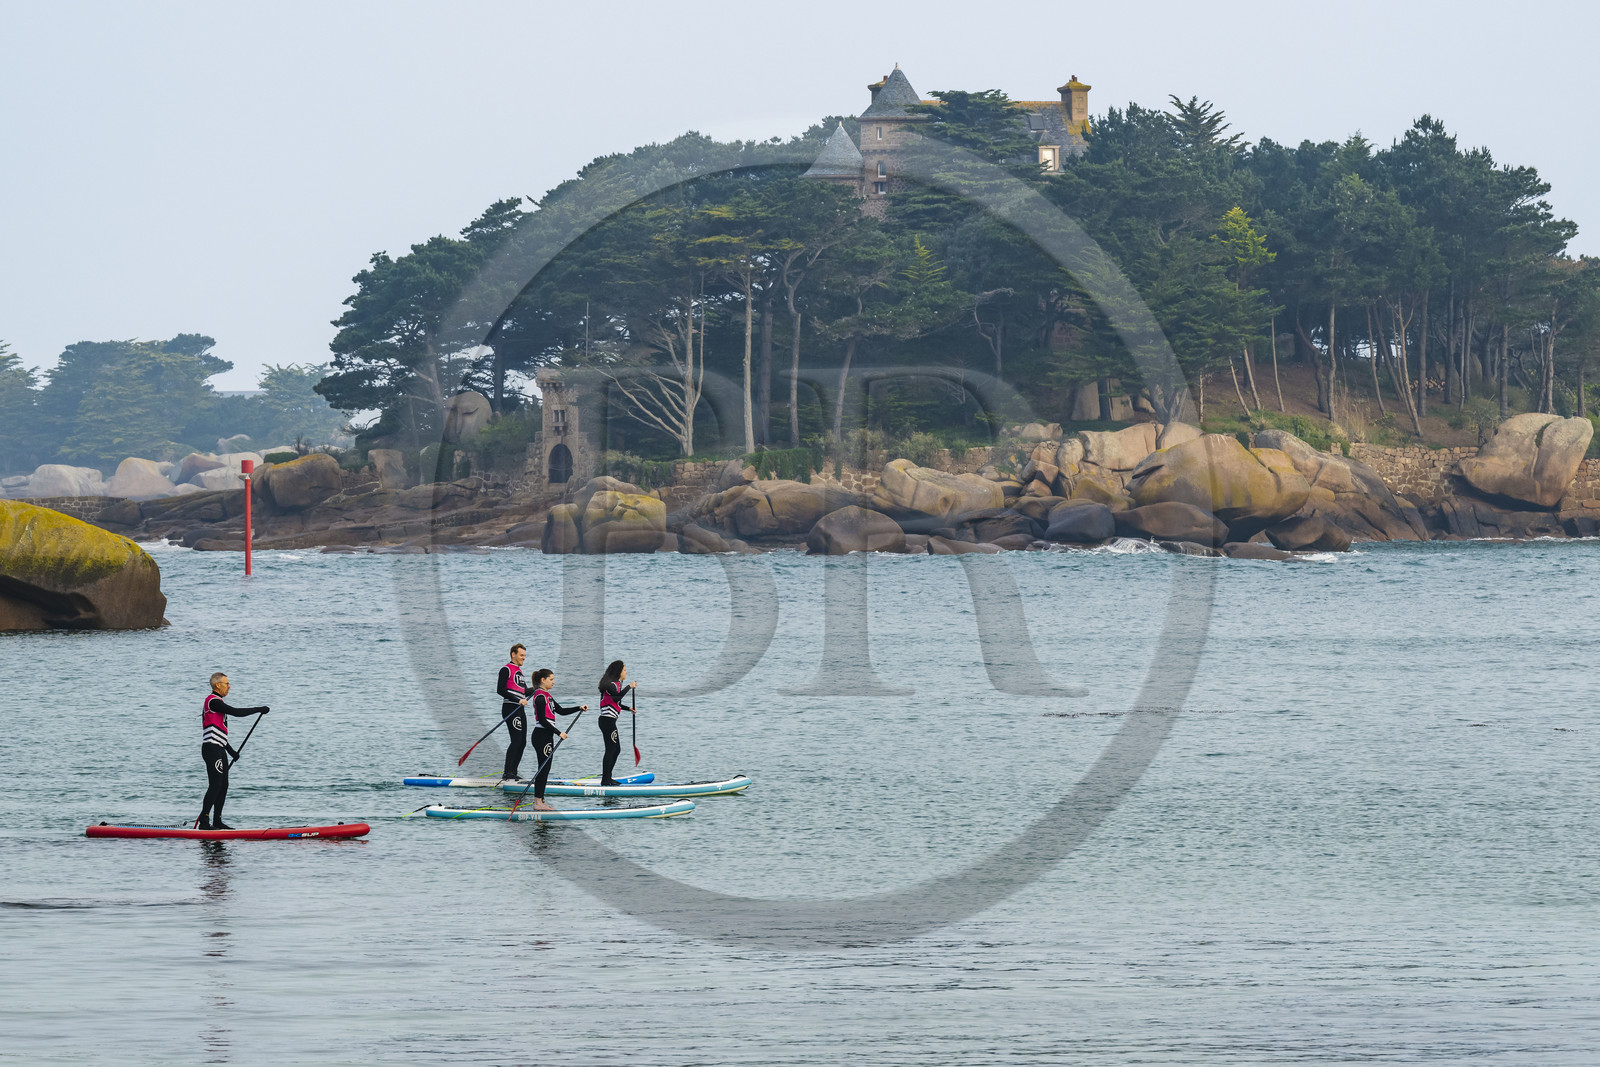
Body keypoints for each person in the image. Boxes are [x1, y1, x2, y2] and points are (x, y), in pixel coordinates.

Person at [198, 672, 269, 830]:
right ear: (218, 685)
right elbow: (236, 712)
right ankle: (204, 822)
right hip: (211, 749)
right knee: (215, 785)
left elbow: (219, 733)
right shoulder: (213, 701)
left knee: (224, 785)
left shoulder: (218, 703)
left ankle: (217, 821)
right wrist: (259, 709)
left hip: (219, 748)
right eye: (226, 683)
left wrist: (231, 752)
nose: (229, 686)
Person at [527, 668, 586, 811]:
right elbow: (542, 720)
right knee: (543, 769)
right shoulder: (540, 697)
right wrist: (559, 733)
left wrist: (578, 707)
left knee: (545, 769)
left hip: (546, 735)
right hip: (541, 735)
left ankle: (540, 800)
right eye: (551, 679)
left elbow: (561, 711)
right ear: (543, 680)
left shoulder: (548, 696)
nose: (554, 682)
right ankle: (537, 802)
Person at [596, 660, 637, 786]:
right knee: (611, 749)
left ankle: (608, 777)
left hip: (609, 721)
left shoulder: (616, 685)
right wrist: (629, 687)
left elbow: (615, 701)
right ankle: (605, 780)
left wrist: (628, 708)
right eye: (624, 670)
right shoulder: (611, 685)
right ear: (619, 672)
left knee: (616, 749)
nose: (626, 672)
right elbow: (617, 697)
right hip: (607, 721)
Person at [497, 644, 530, 781]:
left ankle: (513, 772)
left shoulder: (520, 672)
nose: (523, 658)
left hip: (520, 709)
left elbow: (525, 692)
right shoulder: (506, 669)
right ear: (513, 654)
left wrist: (540, 687)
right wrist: (517, 700)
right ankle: (507, 773)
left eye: (524, 656)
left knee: (522, 742)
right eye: (521, 655)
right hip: (510, 708)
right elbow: (500, 690)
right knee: (516, 740)